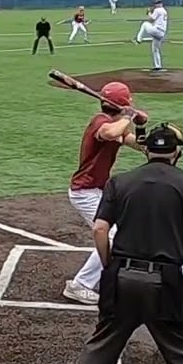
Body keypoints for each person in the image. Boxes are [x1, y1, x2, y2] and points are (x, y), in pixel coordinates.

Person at [68, 123, 183, 364]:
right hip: (166, 283)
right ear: (177, 152)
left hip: (121, 279)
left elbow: (99, 230)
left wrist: (109, 266)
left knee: (101, 346)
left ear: (147, 151)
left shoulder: (120, 182)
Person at [62, 81, 146, 305]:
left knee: (124, 228)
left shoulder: (115, 124)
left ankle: (115, 272)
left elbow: (138, 144)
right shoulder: (102, 123)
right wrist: (128, 116)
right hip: (85, 192)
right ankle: (81, 285)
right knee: (112, 235)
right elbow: (109, 133)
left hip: (98, 190)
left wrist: (140, 125)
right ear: (122, 104)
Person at [134, 0, 168, 71]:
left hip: (156, 31)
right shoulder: (164, 11)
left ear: (161, 4)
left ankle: (138, 40)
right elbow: (155, 20)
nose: (156, 4)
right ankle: (158, 66)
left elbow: (151, 19)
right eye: (156, 3)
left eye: (158, 3)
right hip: (161, 33)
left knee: (145, 24)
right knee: (155, 49)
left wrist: (149, 13)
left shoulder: (157, 10)